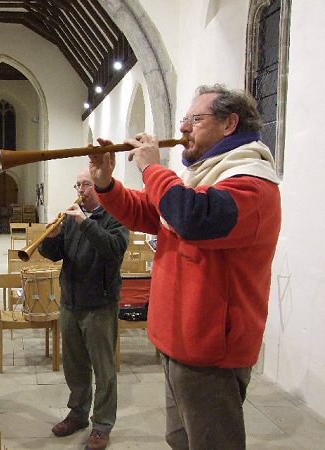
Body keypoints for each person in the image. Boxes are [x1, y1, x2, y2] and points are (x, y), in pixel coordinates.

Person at [88, 84, 282, 449]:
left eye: (196, 119)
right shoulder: (205, 176)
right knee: (179, 439)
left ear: (229, 124)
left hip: (210, 350)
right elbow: (151, 212)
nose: (183, 128)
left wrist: (152, 167)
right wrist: (106, 184)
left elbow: (191, 217)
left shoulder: (251, 184)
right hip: (179, 340)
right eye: (184, 119)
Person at [38, 167, 128, 450]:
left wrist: (85, 223)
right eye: (77, 185)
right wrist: (51, 238)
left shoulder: (115, 216)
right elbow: (55, 255)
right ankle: (78, 414)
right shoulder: (70, 219)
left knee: (103, 369)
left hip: (100, 304)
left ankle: (102, 424)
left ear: (99, 186)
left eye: (86, 185)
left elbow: (114, 249)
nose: (80, 190)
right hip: (70, 302)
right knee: (74, 366)